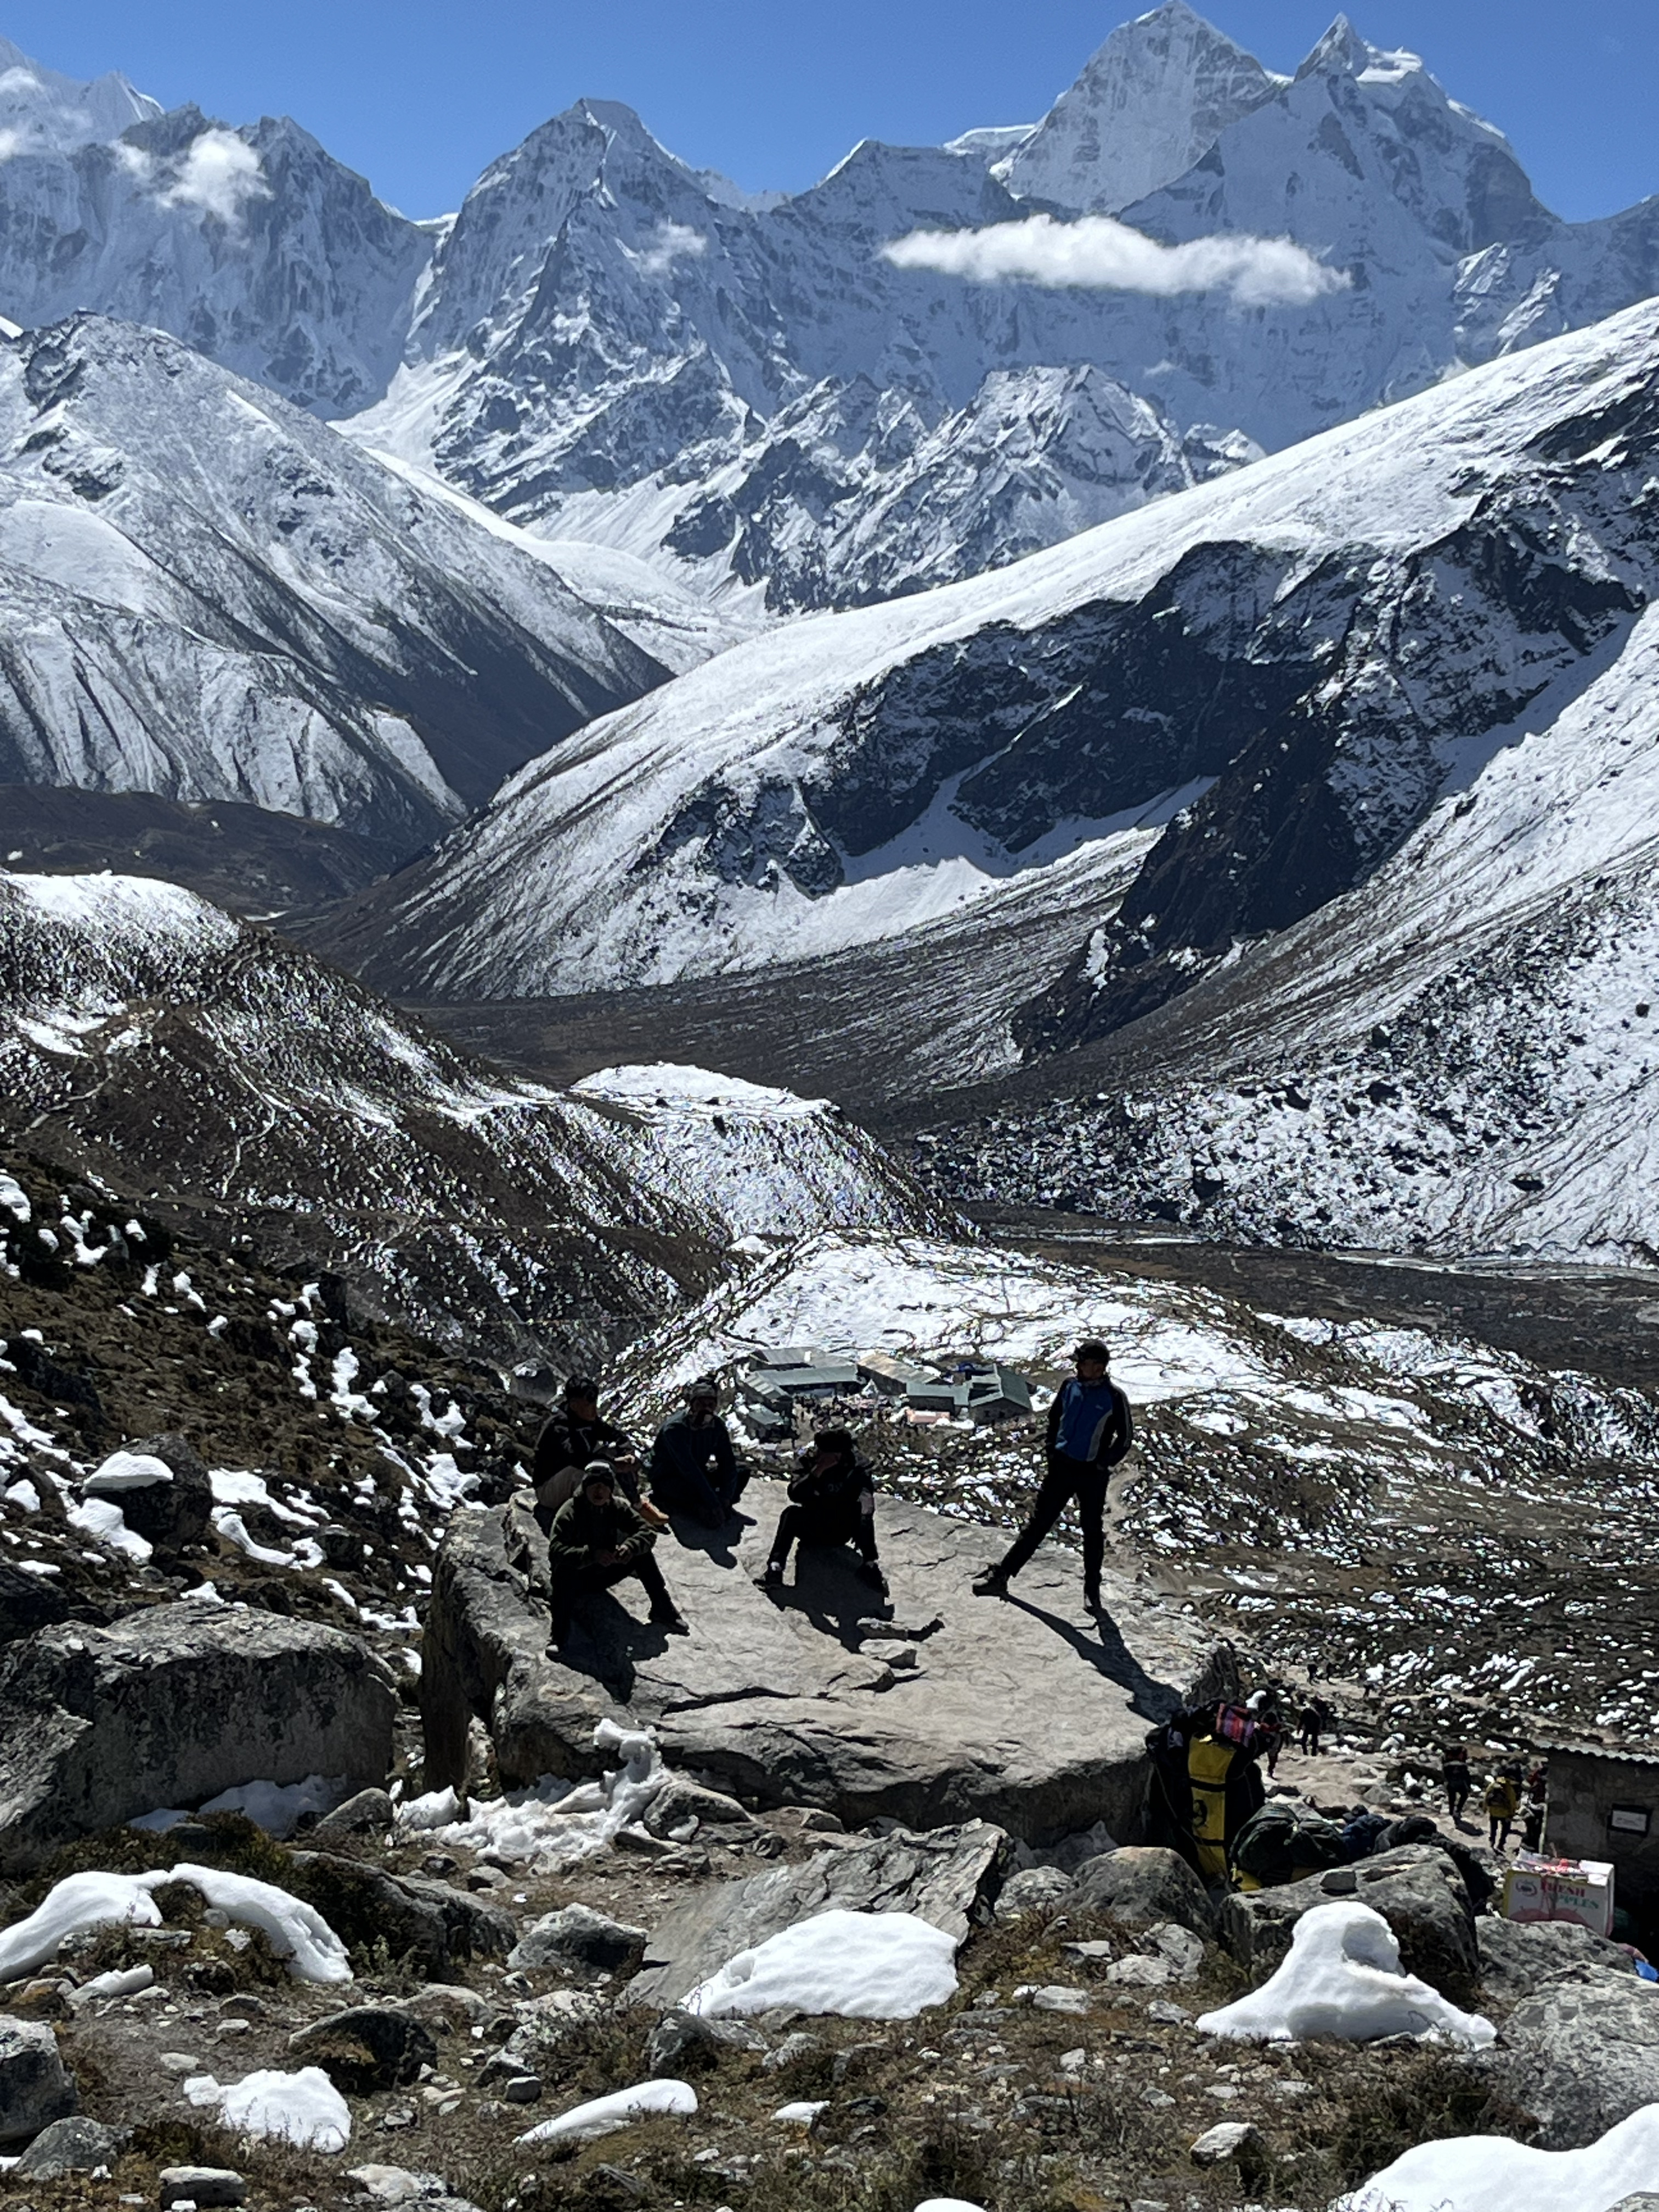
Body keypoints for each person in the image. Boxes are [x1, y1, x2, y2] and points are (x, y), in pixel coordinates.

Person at [971, 1337, 1132, 1610]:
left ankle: (1092, 1590)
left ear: (1099, 1367)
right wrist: (1052, 1451)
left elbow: (1125, 1439)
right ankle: (1002, 1576)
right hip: (1062, 1467)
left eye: (1083, 1363)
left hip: (1092, 1475)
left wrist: (1102, 1464)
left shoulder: (1115, 1398)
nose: (1078, 1367)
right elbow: (1055, 1418)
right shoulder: (1070, 1386)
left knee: (1091, 1531)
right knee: (1038, 1524)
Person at [546, 1462, 687, 1649]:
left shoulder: (616, 1507)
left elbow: (647, 1531)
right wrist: (591, 1555)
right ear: (585, 1487)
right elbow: (556, 1551)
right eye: (594, 1485)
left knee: (643, 1555)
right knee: (565, 1571)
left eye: (604, 1486)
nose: (599, 1491)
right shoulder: (571, 1511)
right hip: (578, 1578)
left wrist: (630, 1547)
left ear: (610, 1490)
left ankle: (662, 1609)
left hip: (603, 1572)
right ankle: (558, 1635)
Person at [761, 1429, 886, 1595]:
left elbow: (866, 1501)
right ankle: (775, 1567)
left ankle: (870, 1565)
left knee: (862, 1512)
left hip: (842, 1530)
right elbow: (795, 1494)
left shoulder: (856, 1467)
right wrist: (818, 1471)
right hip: (813, 1525)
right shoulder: (808, 1461)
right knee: (791, 1514)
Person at [533, 1376, 664, 1531]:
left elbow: (618, 1437)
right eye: (589, 1405)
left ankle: (636, 1504)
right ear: (574, 1405)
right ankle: (591, 1524)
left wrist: (628, 1454)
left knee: (613, 1453)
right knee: (583, 1472)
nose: (594, 1410)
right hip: (548, 1491)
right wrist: (612, 1464)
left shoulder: (588, 1420)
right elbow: (576, 1459)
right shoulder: (559, 1427)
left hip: (569, 1480)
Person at [649, 1376, 747, 1526]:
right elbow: (689, 1469)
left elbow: (727, 1461)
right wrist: (713, 1502)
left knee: (742, 1473)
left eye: (710, 1404)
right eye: (701, 1404)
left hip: (699, 1473)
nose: (706, 1409)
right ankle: (698, 1507)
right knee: (691, 1491)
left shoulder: (716, 1426)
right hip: (670, 1477)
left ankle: (714, 1505)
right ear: (692, 1404)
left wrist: (725, 1498)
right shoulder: (675, 1429)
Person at [1485, 1765, 1521, 1852]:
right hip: (1505, 1813)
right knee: (1505, 1829)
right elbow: (1512, 1801)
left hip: (1493, 1811)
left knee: (1493, 1828)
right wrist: (1512, 1813)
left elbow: (1486, 1796)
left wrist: (1486, 1808)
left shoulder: (1493, 1784)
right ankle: (1501, 1845)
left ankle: (1492, 1841)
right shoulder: (1508, 1787)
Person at [1442, 1744, 1474, 1826]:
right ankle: (1458, 1810)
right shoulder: (1463, 1766)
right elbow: (1466, 1776)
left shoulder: (1446, 1765)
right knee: (1464, 1795)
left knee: (1452, 1797)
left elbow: (1445, 1775)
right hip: (1460, 1783)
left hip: (1451, 1783)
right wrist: (1469, 1786)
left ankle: (1451, 1811)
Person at [1522, 1763, 1548, 1852]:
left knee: (1535, 1826)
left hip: (1538, 1807)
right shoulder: (1538, 1783)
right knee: (1532, 1824)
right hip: (1536, 1807)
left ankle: (1532, 1843)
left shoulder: (1540, 1782)